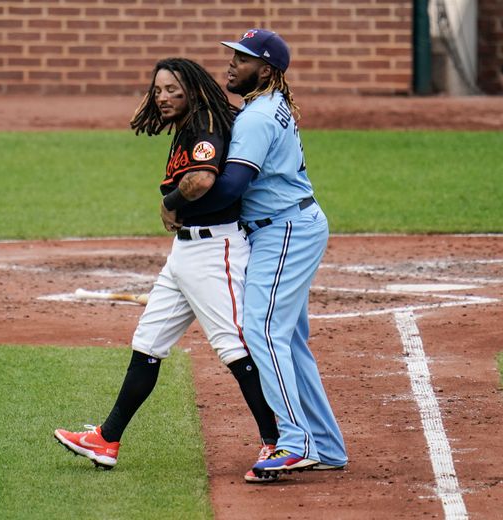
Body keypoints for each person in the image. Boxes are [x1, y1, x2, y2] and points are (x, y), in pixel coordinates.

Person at [54, 57, 280, 484]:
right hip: (185, 255)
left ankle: (275, 441)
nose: (163, 97)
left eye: (173, 89)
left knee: (233, 347)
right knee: (149, 341)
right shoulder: (195, 121)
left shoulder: (206, 123)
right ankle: (107, 439)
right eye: (158, 90)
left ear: (193, 89)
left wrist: (169, 202)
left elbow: (201, 180)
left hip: (215, 251)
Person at [162, 29, 348, 480]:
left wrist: (174, 203)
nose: (230, 64)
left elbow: (229, 186)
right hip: (286, 227)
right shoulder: (264, 107)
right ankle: (323, 443)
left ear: (265, 70)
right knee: (287, 338)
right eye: (231, 56)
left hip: (284, 230)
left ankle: (294, 441)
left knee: (262, 330)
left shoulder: (259, 118)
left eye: (242, 59)